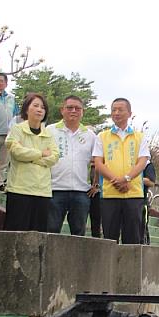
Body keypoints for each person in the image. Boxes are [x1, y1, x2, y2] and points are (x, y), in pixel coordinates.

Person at [91, 97, 150, 244]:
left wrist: (126, 179)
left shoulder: (139, 137)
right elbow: (98, 162)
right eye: (113, 110)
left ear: (129, 113)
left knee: (132, 239)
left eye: (120, 110)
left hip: (133, 194)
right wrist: (116, 181)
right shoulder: (102, 136)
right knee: (109, 238)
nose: (116, 113)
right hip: (110, 194)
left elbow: (142, 162)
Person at [3, 93, 58, 231]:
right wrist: (40, 153)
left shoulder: (48, 134)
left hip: (42, 191)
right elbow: (16, 152)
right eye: (35, 105)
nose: (40, 109)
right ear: (27, 109)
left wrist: (30, 156)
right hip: (20, 189)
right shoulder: (17, 129)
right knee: (15, 232)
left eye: (43, 107)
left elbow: (54, 157)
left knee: (38, 236)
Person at [47, 95, 95, 236]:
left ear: (82, 112)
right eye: (69, 108)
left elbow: (97, 162)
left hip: (81, 191)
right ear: (62, 110)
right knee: (51, 231)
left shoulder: (90, 136)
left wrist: (95, 184)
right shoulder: (50, 130)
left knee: (78, 234)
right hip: (55, 189)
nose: (73, 111)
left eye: (77, 108)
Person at [141, 159, 157, 244]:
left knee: (142, 230)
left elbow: (151, 182)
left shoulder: (147, 164)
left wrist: (133, 178)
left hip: (141, 201)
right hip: (124, 199)